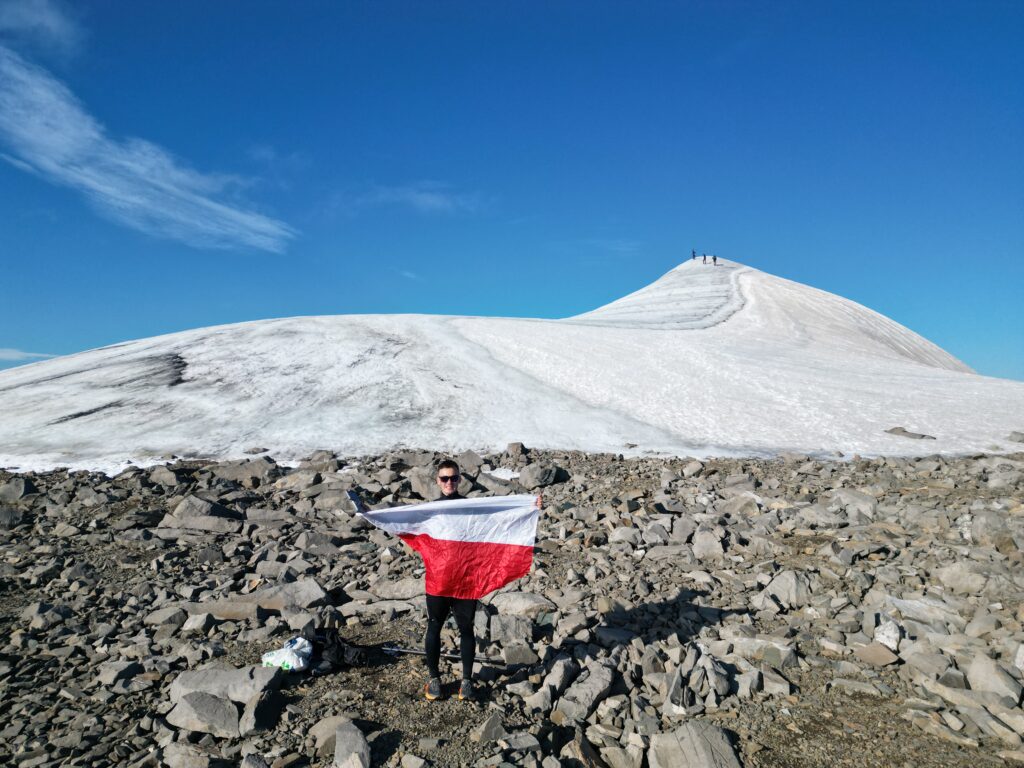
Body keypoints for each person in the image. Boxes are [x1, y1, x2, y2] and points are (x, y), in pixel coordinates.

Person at [423, 459, 478, 702]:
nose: (449, 482)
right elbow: (400, 520)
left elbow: (502, 516)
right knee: (434, 626)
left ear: (459, 479)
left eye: (453, 478)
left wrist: (531, 505)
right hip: (439, 580)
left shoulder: (471, 507)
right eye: (444, 478)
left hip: (466, 580)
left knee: (466, 629)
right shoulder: (430, 510)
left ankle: (466, 681)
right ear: (437, 481)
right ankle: (434, 678)